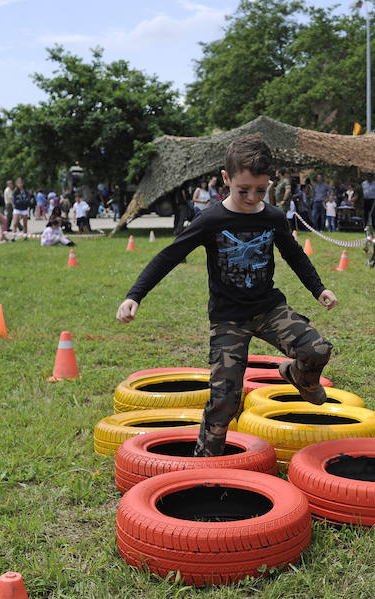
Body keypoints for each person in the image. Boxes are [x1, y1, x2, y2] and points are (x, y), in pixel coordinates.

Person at [116, 134, 338, 457]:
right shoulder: (211, 220)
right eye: (243, 190)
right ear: (226, 178)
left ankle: (298, 376)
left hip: (269, 310)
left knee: (317, 349)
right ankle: (206, 462)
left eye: (260, 190)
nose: (252, 198)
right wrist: (135, 295)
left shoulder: (273, 218)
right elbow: (169, 256)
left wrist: (319, 288)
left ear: (269, 182)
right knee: (224, 400)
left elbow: (295, 255)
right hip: (228, 319)